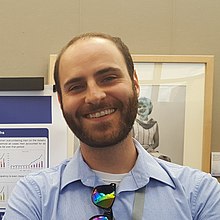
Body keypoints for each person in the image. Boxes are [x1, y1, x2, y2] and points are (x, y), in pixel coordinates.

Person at [3, 32, 220, 219]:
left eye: (108, 78)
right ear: (61, 101)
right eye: (76, 86)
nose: (95, 96)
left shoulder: (199, 194)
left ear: (135, 83)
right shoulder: (35, 197)